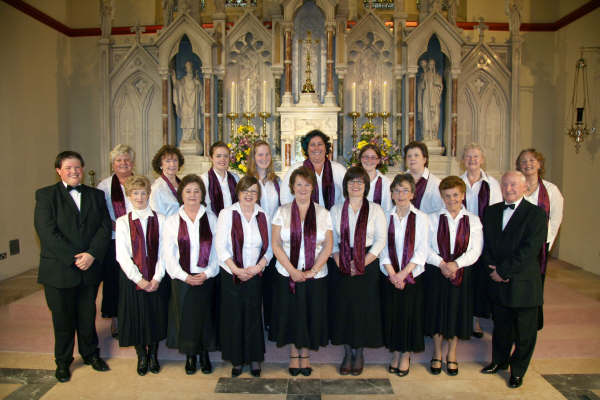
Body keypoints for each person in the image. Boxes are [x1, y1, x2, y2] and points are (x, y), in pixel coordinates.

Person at [34, 151, 112, 383]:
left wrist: (91, 254)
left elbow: (104, 228)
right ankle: (63, 361)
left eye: (77, 167)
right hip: (59, 269)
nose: (74, 171)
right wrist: (74, 257)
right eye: (68, 168)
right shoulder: (46, 195)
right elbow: (46, 232)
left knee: (87, 315)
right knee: (63, 319)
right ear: (59, 171)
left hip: (89, 267)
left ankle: (91, 354)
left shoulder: (96, 195)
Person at [480, 171, 547, 389]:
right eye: (505, 184)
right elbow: (486, 244)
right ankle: (499, 361)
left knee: (525, 332)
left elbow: (529, 250)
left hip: (523, 282)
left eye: (514, 185)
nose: (508, 189)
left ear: (525, 187)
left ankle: (517, 370)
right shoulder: (490, 212)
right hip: (497, 279)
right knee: (501, 327)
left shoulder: (536, 214)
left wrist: (504, 271)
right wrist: (493, 270)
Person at [270, 166, 333, 377]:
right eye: (299, 184)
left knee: (309, 314)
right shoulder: (282, 211)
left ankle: (305, 355)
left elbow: (328, 246)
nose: (303, 188)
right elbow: (276, 244)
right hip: (287, 273)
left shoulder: (323, 213)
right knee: (291, 314)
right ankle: (293, 355)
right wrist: (292, 270)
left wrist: (313, 270)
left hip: (315, 275)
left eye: (307, 184)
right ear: (292, 187)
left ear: (313, 187)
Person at [329, 166, 387, 376]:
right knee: (343, 308)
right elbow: (331, 240)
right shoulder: (336, 210)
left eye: (359, 182)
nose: (355, 185)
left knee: (363, 309)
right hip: (340, 264)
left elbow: (381, 240)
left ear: (366, 186)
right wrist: (339, 259)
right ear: (345, 186)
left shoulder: (376, 210)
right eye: (351, 181)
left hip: (367, 264)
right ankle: (346, 352)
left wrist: (362, 261)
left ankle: (359, 352)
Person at [424, 176, 483, 376]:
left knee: (456, 313)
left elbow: (475, 250)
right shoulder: (432, 218)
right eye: (447, 196)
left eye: (455, 195)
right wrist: (441, 264)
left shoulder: (473, 220)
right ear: (442, 197)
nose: (452, 200)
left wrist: (456, 264)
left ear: (463, 195)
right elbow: (425, 247)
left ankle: (452, 354)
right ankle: (438, 352)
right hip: (437, 272)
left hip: (462, 272)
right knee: (438, 313)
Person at [215, 176, 272, 378]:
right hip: (231, 274)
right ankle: (237, 359)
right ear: (238, 192)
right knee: (235, 317)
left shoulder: (262, 215)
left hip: (255, 274)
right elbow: (220, 247)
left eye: (253, 191)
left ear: (258, 195)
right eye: (245, 191)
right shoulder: (227, 214)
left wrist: (258, 267)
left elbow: (270, 248)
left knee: (254, 316)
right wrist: (236, 270)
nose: (249, 195)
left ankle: (255, 358)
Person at [164, 174, 219, 375]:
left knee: (205, 316)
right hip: (183, 278)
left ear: (202, 194)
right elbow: (168, 254)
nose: (192, 195)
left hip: (206, 276)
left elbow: (217, 251)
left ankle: (204, 353)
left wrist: (207, 273)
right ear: (181, 194)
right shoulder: (172, 221)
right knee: (185, 317)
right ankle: (190, 355)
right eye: (188, 191)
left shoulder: (211, 218)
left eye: (197, 191)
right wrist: (183, 276)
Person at [115, 175, 168, 376]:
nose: (139, 197)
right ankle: (141, 356)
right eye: (135, 193)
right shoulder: (122, 223)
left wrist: (156, 278)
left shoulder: (160, 219)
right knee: (137, 318)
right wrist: (139, 279)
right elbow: (122, 255)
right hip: (133, 280)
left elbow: (164, 251)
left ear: (149, 194)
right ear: (129, 195)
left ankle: (153, 354)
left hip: (156, 278)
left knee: (154, 317)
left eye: (143, 193)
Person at [380, 174, 430, 377]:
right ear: (391, 194)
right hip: (389, 275)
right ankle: (395, 351)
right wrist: (393, 274)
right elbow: (381, 248)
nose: (401, 194)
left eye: (405, 190)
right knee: (393, 315)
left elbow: (421, 251)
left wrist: (403, 274)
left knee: (409, 316)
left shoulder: (421, 218)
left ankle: (406, 354)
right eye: (397, 190)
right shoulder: (385, 216)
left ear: (412, 194)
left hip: (412, 276)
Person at [516, 148, 564, 330]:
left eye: (532, 160)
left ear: (539, 164)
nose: (528, 164)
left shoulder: (551, 191)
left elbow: (555, 219)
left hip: (538, 246)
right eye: (523, 161)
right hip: (517, 245)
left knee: (534, 284)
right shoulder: (514, 187)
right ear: (518, 166)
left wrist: (544, 243)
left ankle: (533, 320)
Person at [459, 143, 502, 338]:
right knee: (465, 278)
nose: (472, 160)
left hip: (484, 236)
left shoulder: (492, 184)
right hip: (462, 236)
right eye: (468, 156)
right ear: (463, 160)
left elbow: (497, 213)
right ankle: (466, 318)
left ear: (482, 159)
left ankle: (477, 317)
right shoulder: (458, 182)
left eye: (476, 156)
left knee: (481, 280)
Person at [97, 144, 135, 338]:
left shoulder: (140, 182)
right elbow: (98, 213)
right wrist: (112, 225)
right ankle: (115, 318)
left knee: (134, 277)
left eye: (127, 160)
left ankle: (134, 315)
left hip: (137, 239)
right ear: (113, 164)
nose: (123, 163)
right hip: (113, 239)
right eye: (119, 160)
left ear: (132, 163)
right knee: (114, 280)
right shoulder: (104, 186)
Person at [246, 140, 281, 331]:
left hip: (273, 237)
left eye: (267, 154)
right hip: (253, 236)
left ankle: (269, 321)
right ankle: (252, 323)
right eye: (260, 154)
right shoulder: (247, 181)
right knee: (253, 280)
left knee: (270, 282)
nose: (264, 158)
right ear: (253, 157)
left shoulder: (277, 182)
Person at [281, 130, 346, 209]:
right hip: (303, 218)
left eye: (320, 144)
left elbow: (346, 197)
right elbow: (285, 197)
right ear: (306, 149)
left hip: (333, 219)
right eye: (312, 145)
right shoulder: (296, 169)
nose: (316, 148)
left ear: (326, 147)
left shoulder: (339, 169)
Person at [404, 141, 443, 214]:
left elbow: (440, 211)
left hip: (428, 224)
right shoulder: (400, 180)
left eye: (416, 155)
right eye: (409, 156)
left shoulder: (436, 183)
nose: (412, 158)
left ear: (424, 159)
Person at [201, 141, 239, 217]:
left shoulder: (235, 178)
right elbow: (203, 207)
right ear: (211, 158)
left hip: (233, 223)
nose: (223, 159)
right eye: (218, 156)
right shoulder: (204, 179)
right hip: (213, 224)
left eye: (226, 156)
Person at [150, 145, 185, 217]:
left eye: (175, 160)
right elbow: (156, 215)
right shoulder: (156, 188)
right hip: (168, 227)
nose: (172, 164)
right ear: (161, 164)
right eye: (168, 161)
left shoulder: (183, 184)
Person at [358, 144, 393, 214]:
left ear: (378, 160)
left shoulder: (385, 183)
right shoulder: (353, 179)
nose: (369, 160)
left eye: (373, 157)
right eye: (366, 157)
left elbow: (388, 210)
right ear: (360, 159)